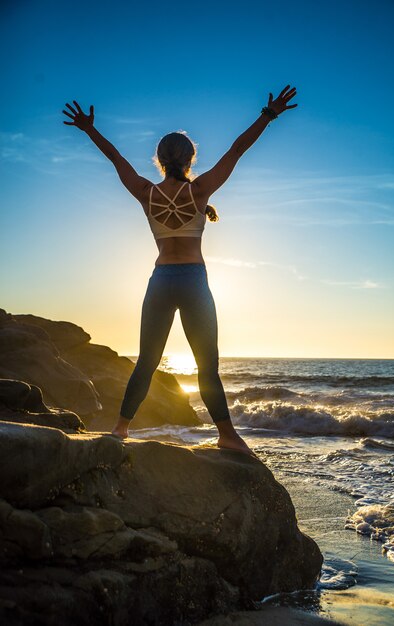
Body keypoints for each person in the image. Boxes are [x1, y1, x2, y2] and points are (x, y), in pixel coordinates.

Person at [62, 85, 297, 457]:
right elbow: (237, 150)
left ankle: (121, 428)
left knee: (147, 362)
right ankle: (227, 435)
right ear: (190, 159)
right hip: (193, 281)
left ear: (159, 159)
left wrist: (90, 129)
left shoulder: (146, 192)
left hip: (161, 281)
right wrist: (267, 116)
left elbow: (116, 158)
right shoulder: (200, 191)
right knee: (208, 365)